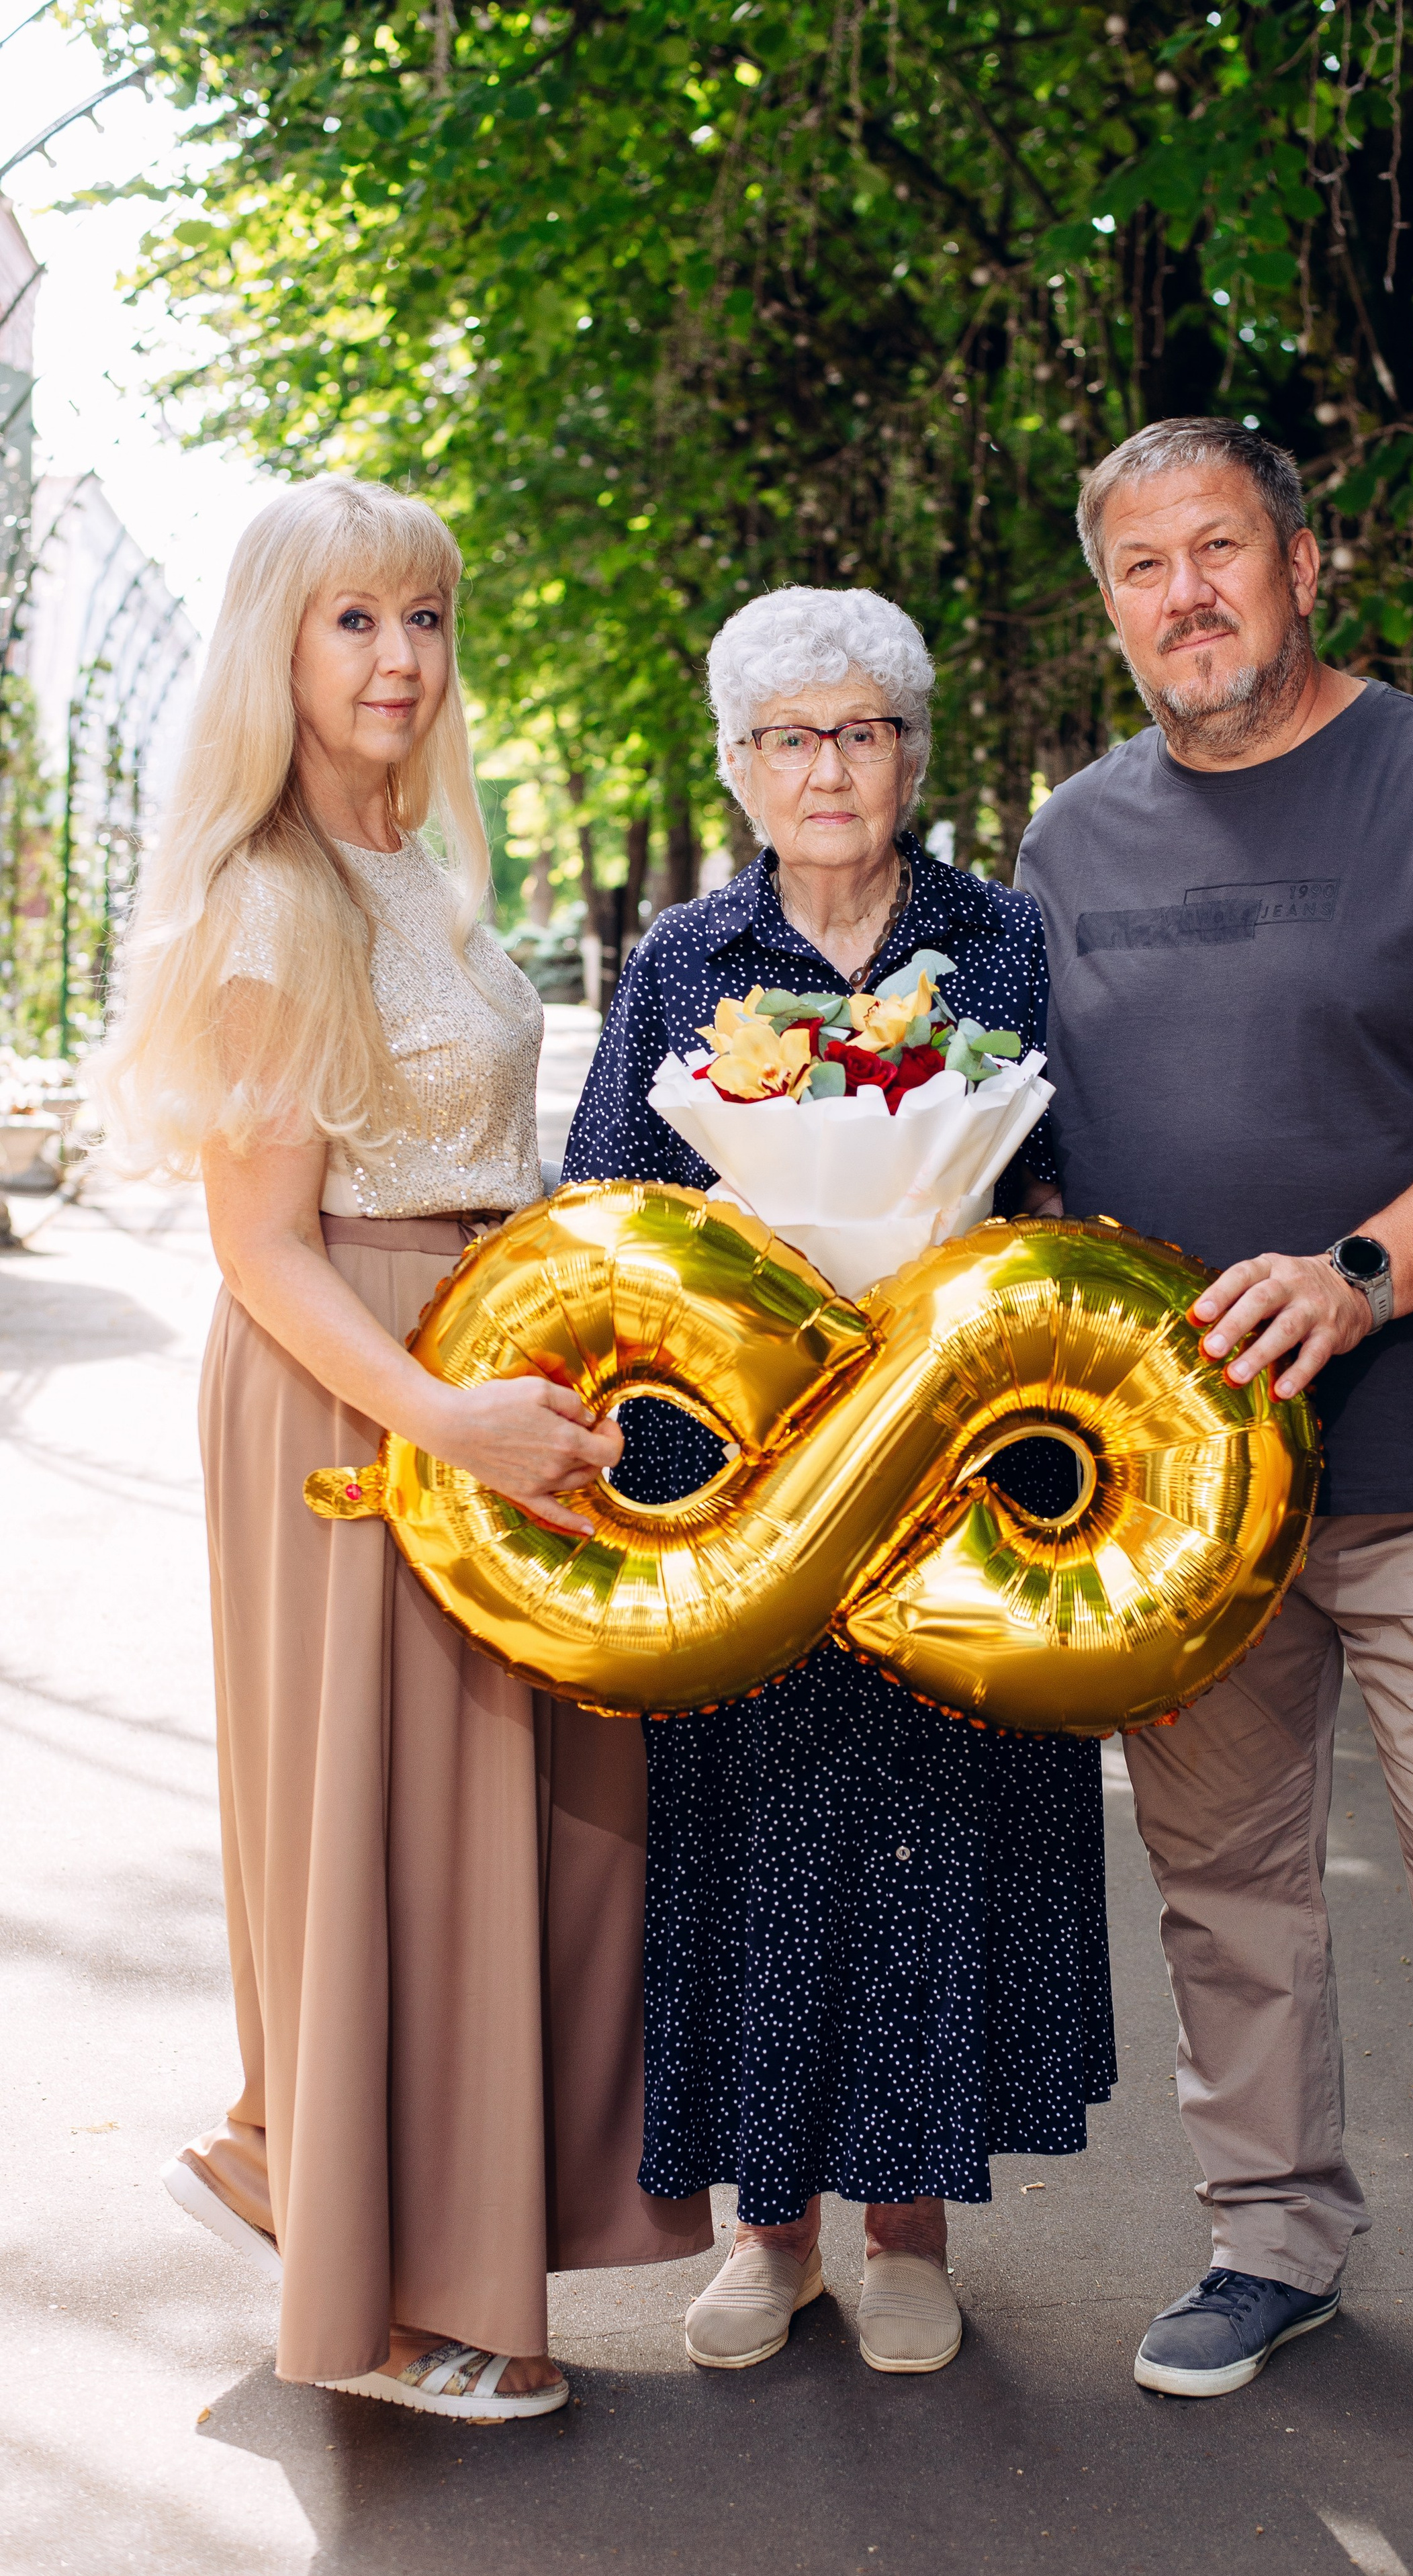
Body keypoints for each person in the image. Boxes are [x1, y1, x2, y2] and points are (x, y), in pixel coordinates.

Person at [1015, 418, 1413, 2496]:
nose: (1183, 593)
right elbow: (1023, 1146)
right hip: (1184, 1494)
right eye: (1139, 566)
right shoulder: (1070, 840)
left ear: (1302, 560)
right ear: (1108, 606)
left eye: (1219, 548)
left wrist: (1364, 1272)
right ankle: (1272, 2236)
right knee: (1226, 1887)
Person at [96, 476, 710, 2422]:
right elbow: (260, 1240)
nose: (398, 658)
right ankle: (406, 2290)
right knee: (410, 1826)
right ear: (279, 648)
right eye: (354, 620)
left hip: (474, 1359)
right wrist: (443, 1413)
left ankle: (319, 2174)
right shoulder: (276, 890)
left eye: (425, 620)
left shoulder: (418, 876)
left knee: (527, 1818)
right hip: (355, 1387)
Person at [561, 585, 1114, 2377]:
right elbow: (603, 1209)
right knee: (750, 1839)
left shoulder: (1005, 936)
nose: (829, 765)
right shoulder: (685, 957)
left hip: (952, 1467)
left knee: (936, 1836)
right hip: (745, 1473)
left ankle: (910, 2233)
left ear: (910, 752)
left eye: (863, 730)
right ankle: (767, 2235)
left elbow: (1062, 1182)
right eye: (791, 735)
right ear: (738, 765)